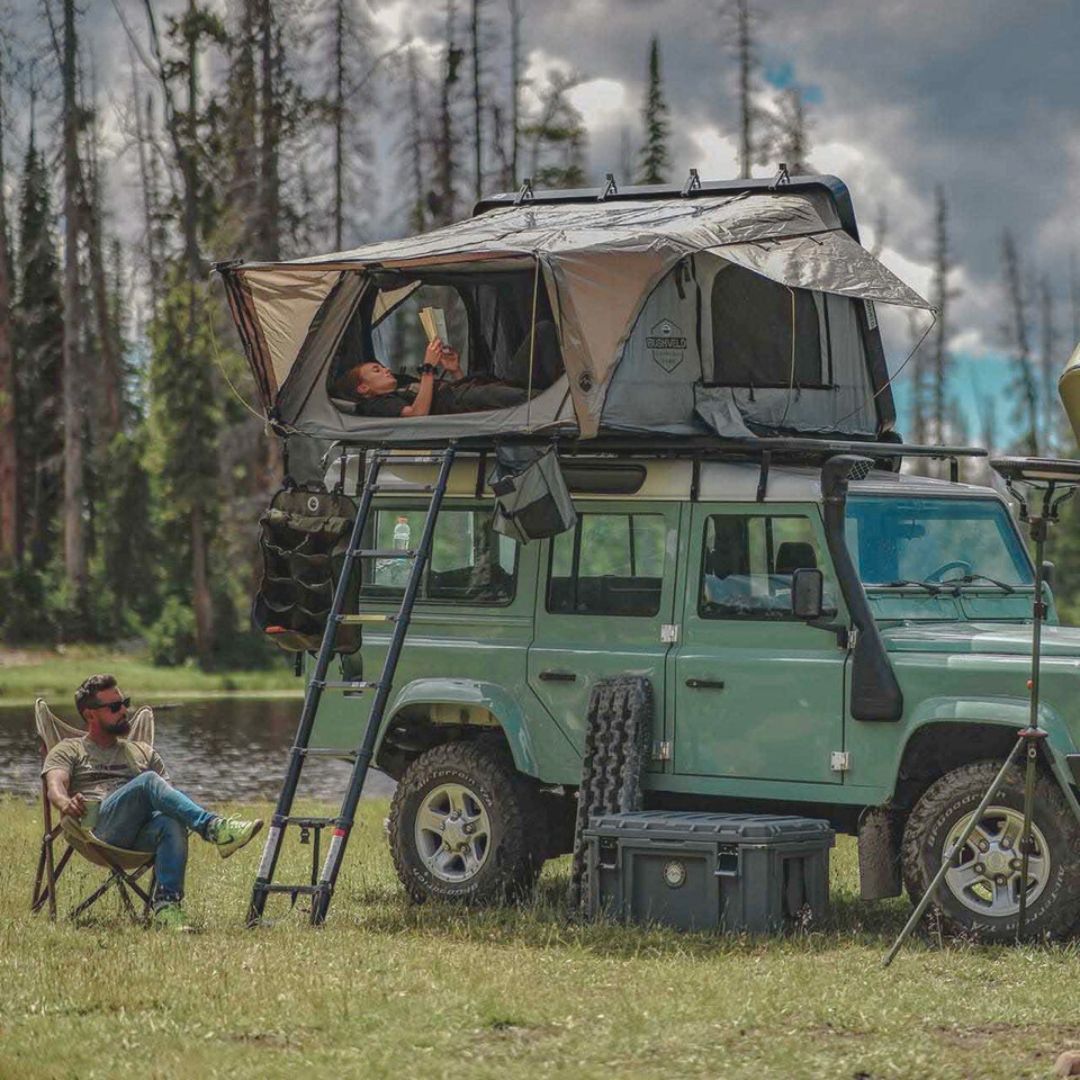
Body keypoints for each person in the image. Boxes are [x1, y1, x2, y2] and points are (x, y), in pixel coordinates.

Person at [41, 673, 264, 930]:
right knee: (147, 781)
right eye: (115, 706)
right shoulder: (69, 749)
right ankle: (214, 829)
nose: (124, 710)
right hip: (94, 830)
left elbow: (168, 797)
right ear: (90, 715)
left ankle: (167, 908)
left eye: (125, 702)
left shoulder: (141, 752)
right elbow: (55, 786)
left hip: (139, 834)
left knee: (172, 820)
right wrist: (65, 803)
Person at [333, 337, 541, 418]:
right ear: (363, 388)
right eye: (376, 370)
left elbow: (454, 391)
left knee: (542, 332)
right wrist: (428, 368)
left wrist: (454, 370)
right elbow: (417, 414)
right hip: (468, 399)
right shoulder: (379, 403)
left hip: (473, 388)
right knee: (532, 399)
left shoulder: (403, 385)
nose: (386, 369)